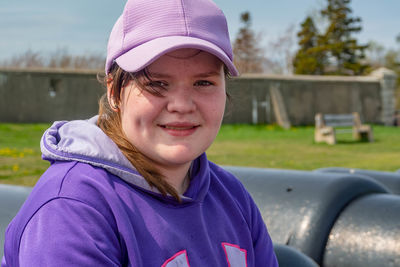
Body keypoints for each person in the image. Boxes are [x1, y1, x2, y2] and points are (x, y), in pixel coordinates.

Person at [2, 0, 278, 266]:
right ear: (114, 92)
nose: (181, 105)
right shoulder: (72, 209)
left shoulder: (230, 195)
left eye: (203, 82)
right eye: (157, 83)